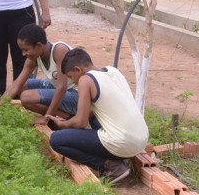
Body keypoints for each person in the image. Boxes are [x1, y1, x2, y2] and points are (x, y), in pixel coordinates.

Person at [46, 48, 149, 184]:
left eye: (71, 77)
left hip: (122, 143)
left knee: (56, 140)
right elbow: (91, 114)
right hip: (141, 140)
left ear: (78, 70)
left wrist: (61, 125)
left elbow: (81, 122)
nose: (73, 82)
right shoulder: (113, 71)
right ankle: (120, 158)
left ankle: (110, 166)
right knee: (93, 117)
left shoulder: (85, 80)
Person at [2, 24, 77, 125]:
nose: (23, 54)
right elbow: (17, 84)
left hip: (77, 96)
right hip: (58, 88)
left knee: (26, 97)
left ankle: (68, 117)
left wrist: (46, 118)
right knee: (22, 87)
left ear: (38, 46)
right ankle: (60, 115)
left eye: (26, 49)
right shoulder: (33, 57)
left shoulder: (59, 50)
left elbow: (62, 87)